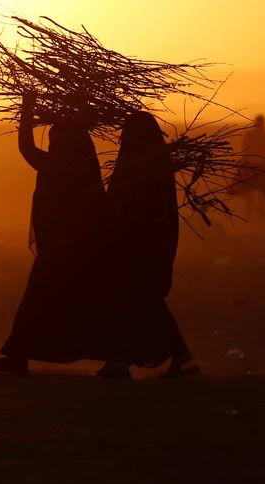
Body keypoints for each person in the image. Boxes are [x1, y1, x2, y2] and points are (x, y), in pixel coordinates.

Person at [0, 92, 105, 374]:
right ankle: (20, 355)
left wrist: (27, 111)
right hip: (81, 248)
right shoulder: (85, 168)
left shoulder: (55, 166)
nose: (54, 144)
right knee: (82, 301)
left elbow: (26, 147)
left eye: (57, 140)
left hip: (60, 250)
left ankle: (19, 356)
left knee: (39, 300)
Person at [98, 111, 196, 379]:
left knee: (134, 302)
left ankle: (122, 361)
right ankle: (127, 360)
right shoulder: (154, 163)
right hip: (148, 247)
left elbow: (132, 208)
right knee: (140, 303)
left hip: (136, 247)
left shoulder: (143, 166)